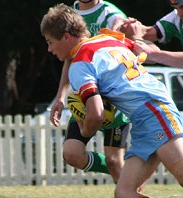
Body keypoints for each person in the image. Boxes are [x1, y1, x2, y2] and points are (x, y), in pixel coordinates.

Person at [41, 3, 183, 197]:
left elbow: (96, 115)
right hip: (147, 115)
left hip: (153, 111)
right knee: (124, 193)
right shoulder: (107, 38)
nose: (50, 49)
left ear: (67, 36)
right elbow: (138, 49)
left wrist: (85, 128)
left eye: (50, 42)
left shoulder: (79, 66)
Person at [49, 0, 130, 183]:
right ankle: (126, 175)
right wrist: (61, 97)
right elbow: (69, 58)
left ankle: (127, 179)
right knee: (71, 153)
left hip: (113, 102)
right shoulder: (71, 14)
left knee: (113, 160)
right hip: (85, 96)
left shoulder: (109, 14)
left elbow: (124, 48)